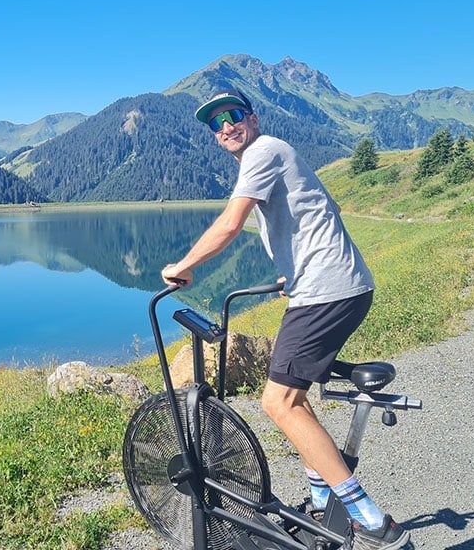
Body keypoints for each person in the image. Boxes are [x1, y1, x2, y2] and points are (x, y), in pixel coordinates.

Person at [161, 88, 409, 550]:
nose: (225, 127)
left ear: (252, 118)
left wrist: (184, 265)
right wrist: (290, 273)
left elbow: (230, 224)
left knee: (279, 403)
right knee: (290, 392)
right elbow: (320, 211)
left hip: (327, 293)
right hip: (325, 288)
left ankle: (370, 519)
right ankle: (320, 498)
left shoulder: (264, 149)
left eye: (232, 116)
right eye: (216, 125)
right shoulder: (269, 155)